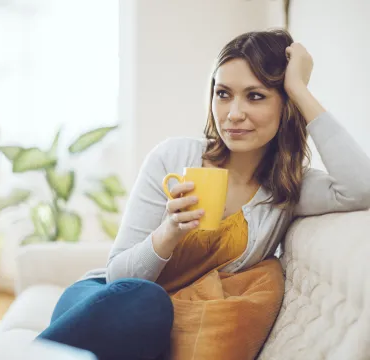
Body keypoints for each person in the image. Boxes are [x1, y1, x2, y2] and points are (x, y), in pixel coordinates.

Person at [35, 29, 370, 360]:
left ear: (285, 104)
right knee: (147, 302)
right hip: (105, 300)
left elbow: (361, 187)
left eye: (255, 96)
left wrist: (299, 88)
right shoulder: (174, 158)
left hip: (170, 322)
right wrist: (168, 231)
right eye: (223, 94)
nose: (233, 113)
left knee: (155, 321)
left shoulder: (287, 189)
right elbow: (118, 278)